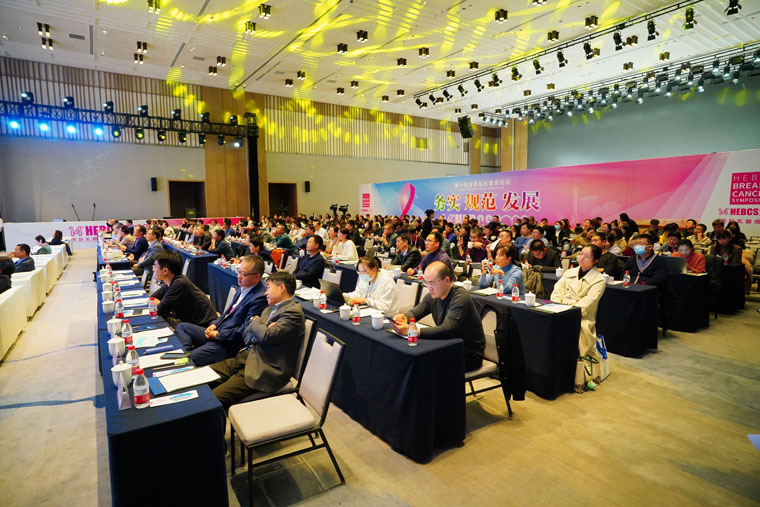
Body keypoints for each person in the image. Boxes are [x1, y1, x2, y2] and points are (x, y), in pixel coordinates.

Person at [208, 271, 305, 409]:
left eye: (269, 287)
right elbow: (247, 334)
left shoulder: (293, 313)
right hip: (246, 358)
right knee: (203, 376)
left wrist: (255, 322)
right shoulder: (268, 310)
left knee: (213, 400)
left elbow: (266, 336)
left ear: (282, 287)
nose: (265, 292)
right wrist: (260, 329)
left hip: (263, 369)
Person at [174, 255, 268, 366]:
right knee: (182, 327)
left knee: (185, 360)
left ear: (257, 277)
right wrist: (214, 324)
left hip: (227, 344)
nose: (238, 276)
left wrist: (218, 334)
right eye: (239, 271)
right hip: (218, 332)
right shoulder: (243, 287)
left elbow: (245, 331)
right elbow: (227, 314)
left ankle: (190, 356)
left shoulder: (260, 298)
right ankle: (189, 353)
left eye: (243, 274)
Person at [391, 262, 484, 372]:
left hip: (467, 354)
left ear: (447, 280)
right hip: (447, 345)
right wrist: (404, 318)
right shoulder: (433, 295)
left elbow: (447, 329)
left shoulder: (460, 298)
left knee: (423, 364)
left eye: (432, 283)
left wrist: (412, 331)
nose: (429, 288)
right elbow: (416, 312)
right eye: (426, 283)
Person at [550, 245, 606, 392]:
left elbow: (587, 304)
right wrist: (561, 305)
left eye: (586, 256)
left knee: (574, 335)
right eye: (581, 254)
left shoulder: (598, 280)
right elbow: (556, 292)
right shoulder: (570, 272)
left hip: (581, 318)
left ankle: (571, 376)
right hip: (559, 311)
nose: (581, 258)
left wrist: (567, 306)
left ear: (595, 260)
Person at [150, 251, 218, 328]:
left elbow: (158, 310)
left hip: (204, 326)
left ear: (165, 271)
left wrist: (158, 303)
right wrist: (158, 304)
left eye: (155, 266)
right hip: (189, 321)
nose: (153, 269)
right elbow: (152, 298)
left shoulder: (179, 283)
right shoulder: (171, 281)